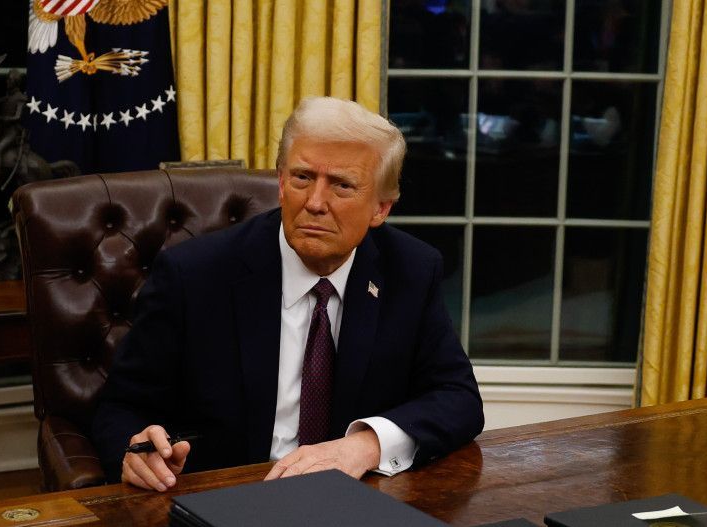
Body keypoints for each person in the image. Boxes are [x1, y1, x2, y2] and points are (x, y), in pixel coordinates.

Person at [92, 96, 484, 491]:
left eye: (342, 185)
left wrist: (364, 445)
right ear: (280, 183)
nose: (314, 203)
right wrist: (133, 452)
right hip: (227, 497)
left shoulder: (411, 271)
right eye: (302, 178)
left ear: (380, 209)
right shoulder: (194, 275)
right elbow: (119, 408)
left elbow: (459, 399)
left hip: (354, 497)